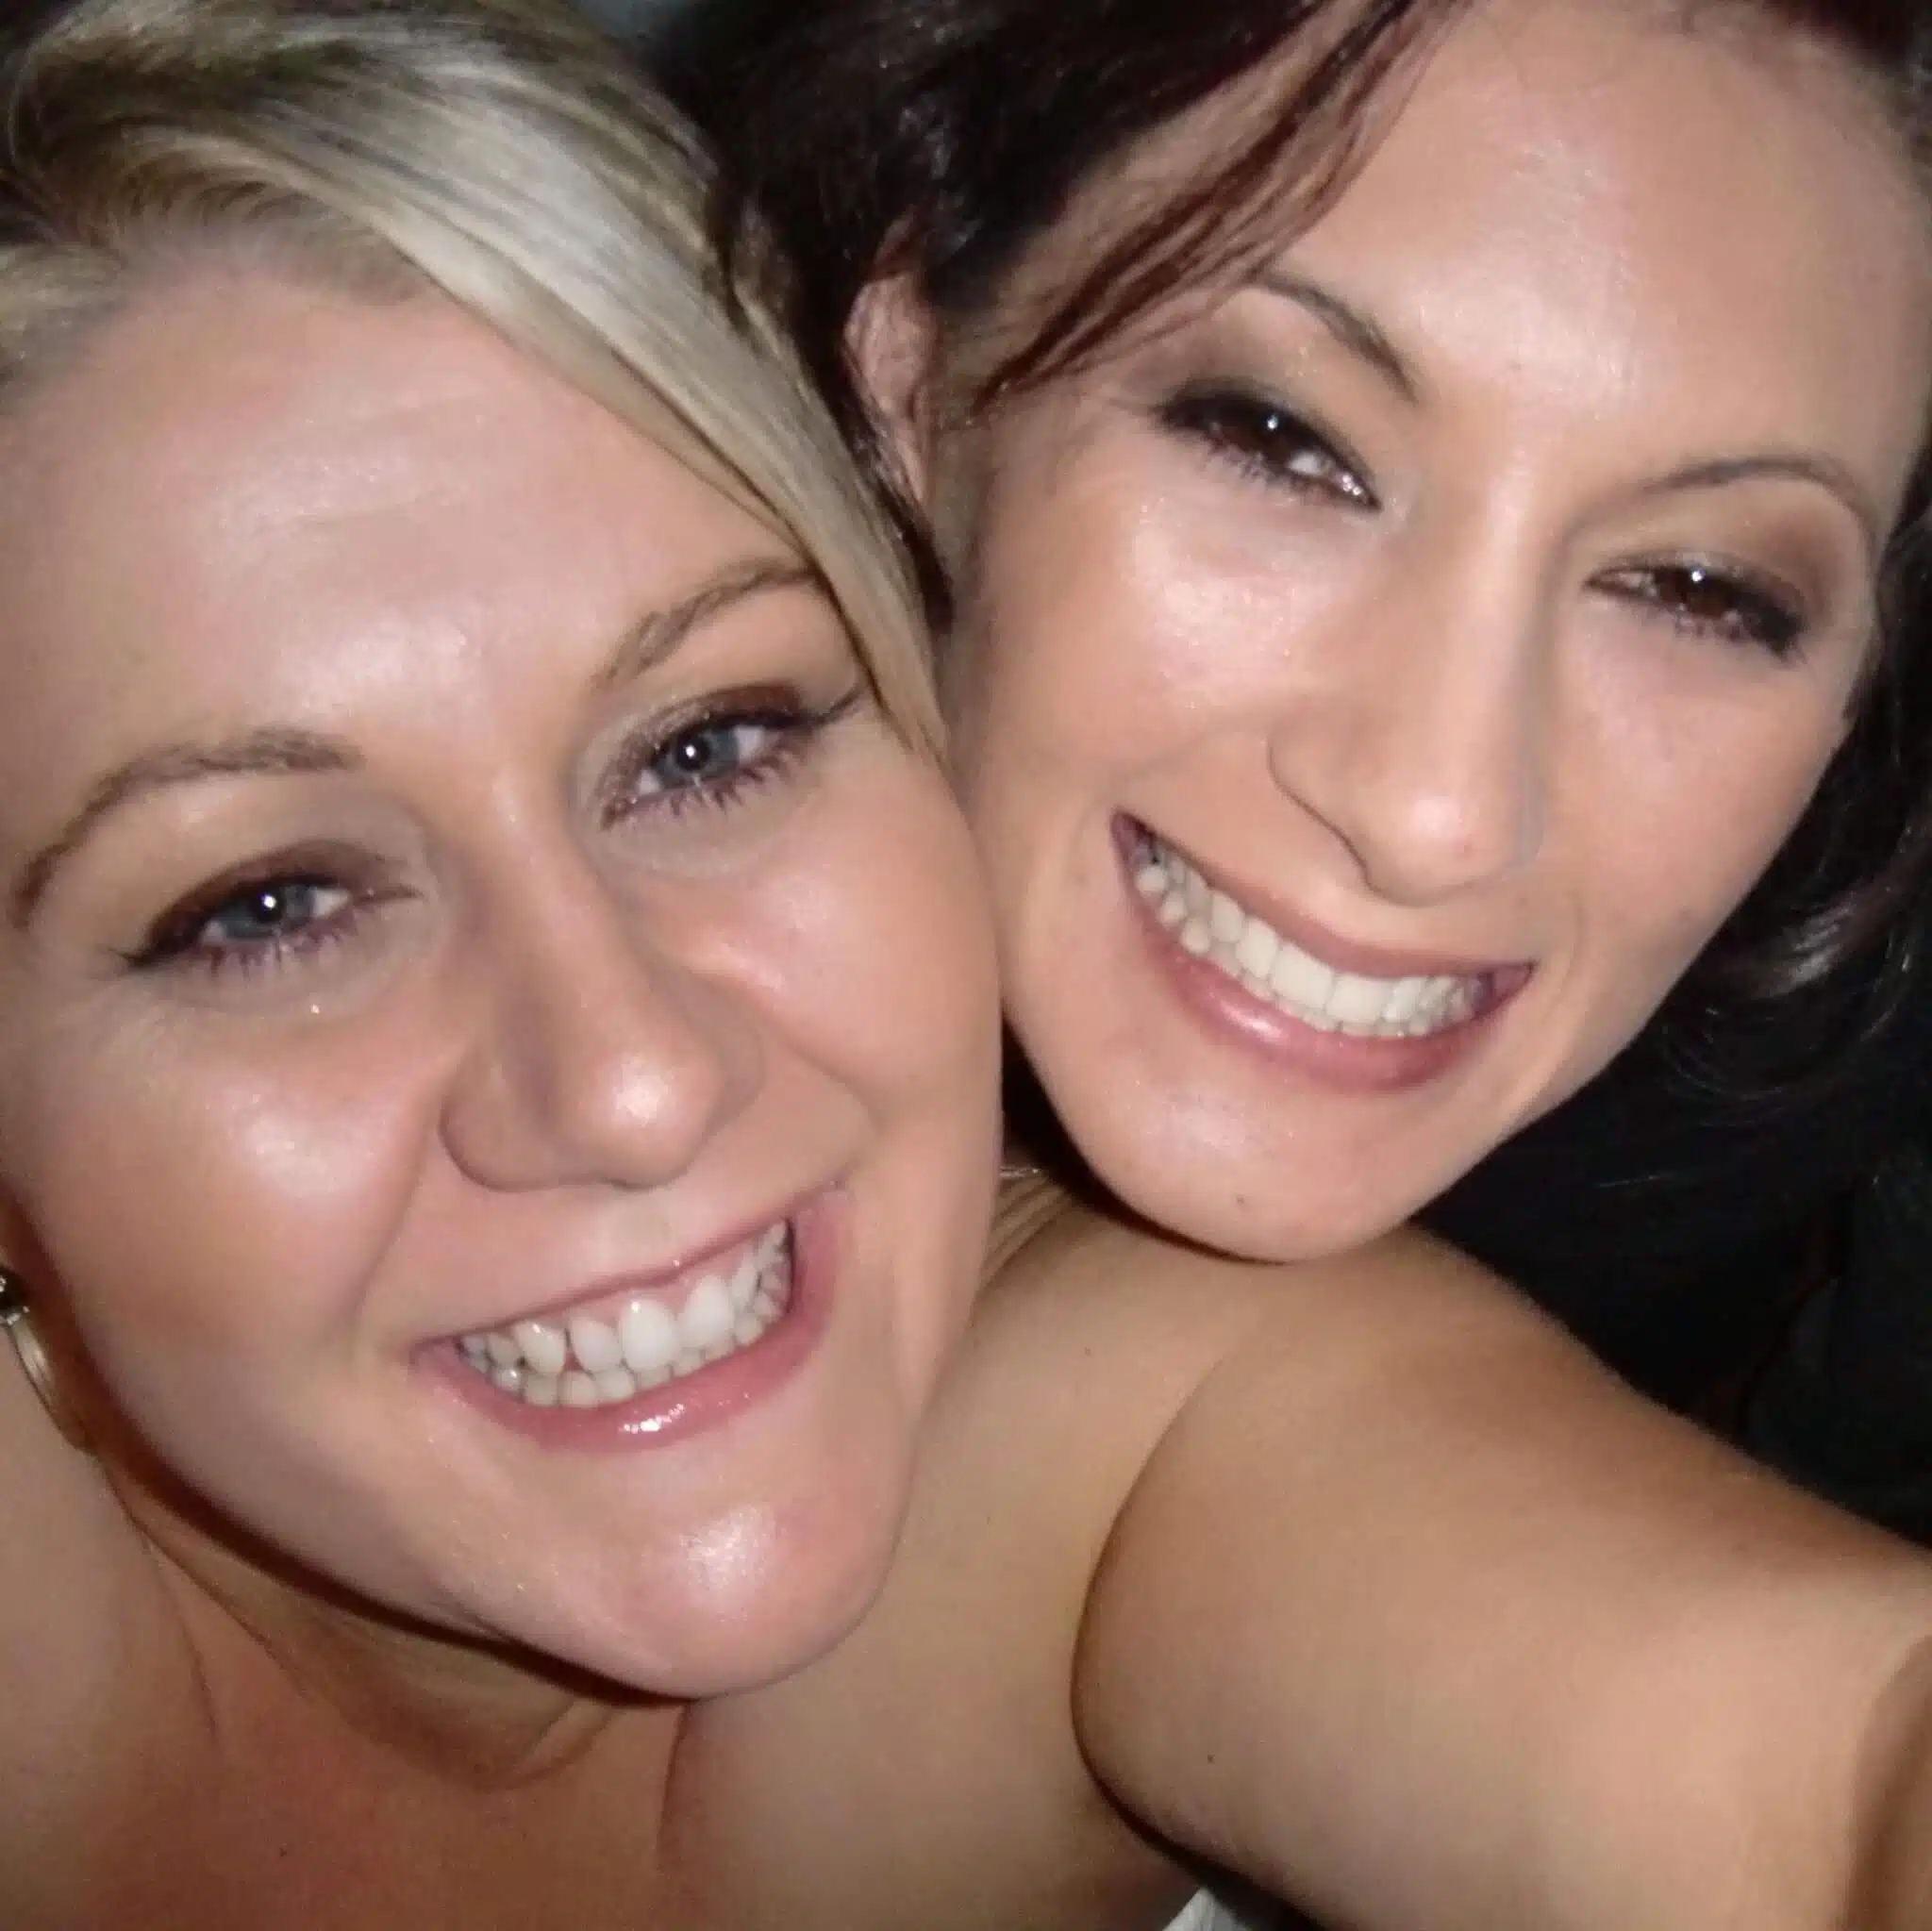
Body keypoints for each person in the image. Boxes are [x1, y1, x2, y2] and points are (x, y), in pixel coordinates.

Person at [11, 6, 1932, 1931]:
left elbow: (1833, 1776)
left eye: (706, 751)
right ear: (907, 402)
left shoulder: (1134, 1428)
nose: (632, 1081)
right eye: (267, 909)